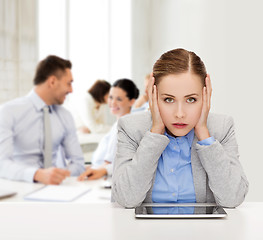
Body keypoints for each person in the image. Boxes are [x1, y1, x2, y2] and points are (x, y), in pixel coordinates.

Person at [112, 48, 249, 208]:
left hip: (205, 232)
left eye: (191, 99)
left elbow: (233, 198)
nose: (179, 114)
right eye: (168, 100)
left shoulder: (221, 128)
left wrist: (204, 136)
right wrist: (155, 132)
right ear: (153, 96)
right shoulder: (131, 129)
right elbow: (127, 199)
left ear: (206, 96)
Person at [0, 55, 85, 185]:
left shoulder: (65, 116)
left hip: (56, 190)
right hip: (20, 187)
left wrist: (59, 175)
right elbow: (2, 163)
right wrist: (37, 175)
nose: (71, 90)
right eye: (68, 83)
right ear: (52, 82)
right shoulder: (8, 111)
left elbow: (78, 163)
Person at [78, 79, 139, 180]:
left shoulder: (123, 127)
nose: (113, 103)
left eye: (119, 99)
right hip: (99, 172)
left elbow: (109, 163)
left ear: (131, 101)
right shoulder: (117, 125)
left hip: (103, 178)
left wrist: (95, 170)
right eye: (111, 97)